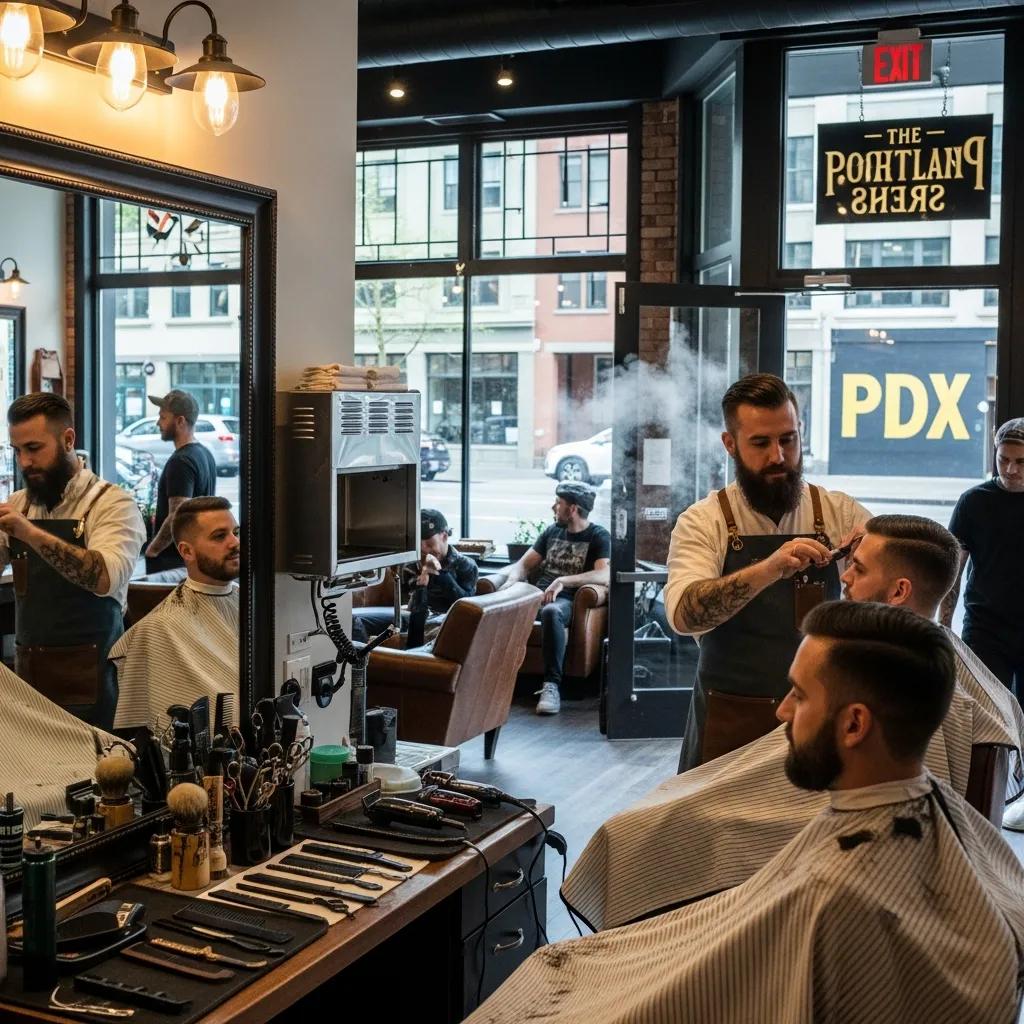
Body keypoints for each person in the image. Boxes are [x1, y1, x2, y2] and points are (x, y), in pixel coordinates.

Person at [468, 602, 1024, 1024]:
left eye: (800, 697)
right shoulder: (955, 822)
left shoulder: (841, 897)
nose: (782, 711)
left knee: (540, 984)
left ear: (854, 725)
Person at [561, 514, 1024, 932]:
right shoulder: (950, 670)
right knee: (669, 806)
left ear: (900, 591)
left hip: (822, 840)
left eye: (858, 569)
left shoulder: (911, 687)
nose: (844, 575)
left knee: (639, 828)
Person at [665, 373, 871, 771]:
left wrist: (881, 546)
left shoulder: (837, 512)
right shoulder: (703, 521)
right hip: (730, 717)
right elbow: (684, 615)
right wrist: (770, 568)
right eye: (760, 443)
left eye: (788, 439)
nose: (777, 456)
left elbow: (895, 578)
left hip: (819, 717)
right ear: (730, 444)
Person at [0, 393, 146, 730]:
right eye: (17, 451)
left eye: (34, 449)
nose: (24, 462)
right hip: (29, 682)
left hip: (90, 683)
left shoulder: (113, 504)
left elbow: (104, 576)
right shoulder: (19, 504)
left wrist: (31, 534)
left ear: (68, 440)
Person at [111, 496, 240, 734]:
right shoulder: (160, 627)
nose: (235, 543)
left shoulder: (256, 607)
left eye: (236, 532)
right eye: (220, 536)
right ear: (186, 551)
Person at [499, 482, 610, 715]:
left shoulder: (597, 536)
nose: (553, 507)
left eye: (558, 503)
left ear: (572, 509)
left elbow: (604, 574)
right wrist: (511, 583)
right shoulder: (551, 532)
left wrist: (563, 581)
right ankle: (490, 680)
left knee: (552, 611)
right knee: (495, 607)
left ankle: (551, 685)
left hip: (566, 601)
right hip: (536, 596)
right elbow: (523, 564)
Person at [942, 417, 1024, 702]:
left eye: (1021, 462)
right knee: (986, 717)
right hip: (985, 628)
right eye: (1003, 459)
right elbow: (953, 566)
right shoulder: (974, 502)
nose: (1011, 470)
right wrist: (945, 627)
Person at [353, 508, 478, 648]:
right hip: (409, 615)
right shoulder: (411, 562)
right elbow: (405, 598)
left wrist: (441, 575)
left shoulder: (465, 565)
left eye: (430, 544)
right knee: (351, 618)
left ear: (444, 536)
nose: (424, 549)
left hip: (442, 620)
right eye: (419, 544)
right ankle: (363, 661)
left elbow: (466, 605)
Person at [144, 389, 217, 575]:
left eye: (163, 417)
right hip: (192, 557)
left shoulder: (181, 462)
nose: (158, 423)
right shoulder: (205, 454)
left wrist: (153, 550)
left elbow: (177, 515)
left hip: (172, 561)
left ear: (180, 421)